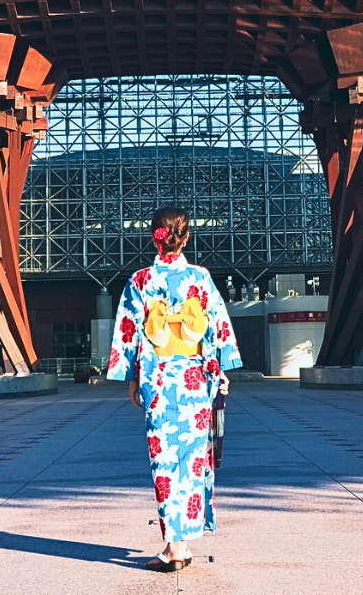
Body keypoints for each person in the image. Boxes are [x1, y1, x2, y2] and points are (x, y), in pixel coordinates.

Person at [106, 206, 242, 573]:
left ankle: (175, 547)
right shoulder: (201, 277)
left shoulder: (141, 280)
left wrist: (133, 377)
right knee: (193, 461)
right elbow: (215, 326)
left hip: (160, 379)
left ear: (156, 236)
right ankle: (181, 540)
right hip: (196, 380)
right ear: (185, 238)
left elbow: (130, 331)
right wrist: (221, 370)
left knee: (164, 461)